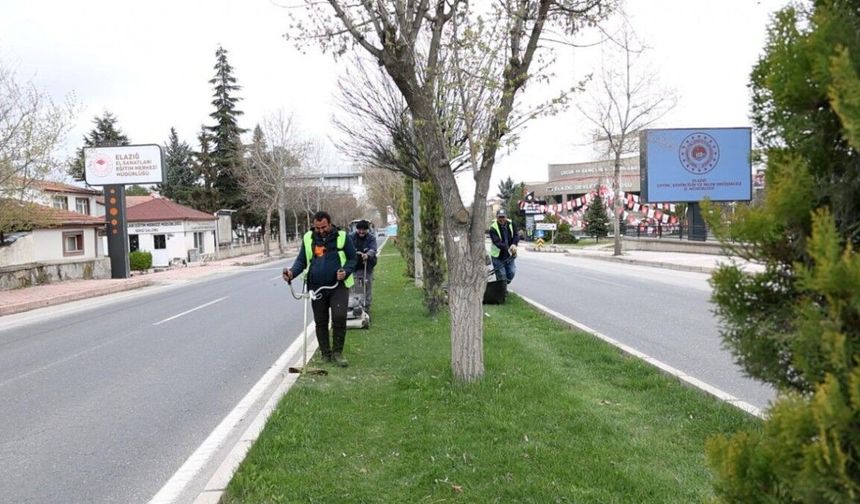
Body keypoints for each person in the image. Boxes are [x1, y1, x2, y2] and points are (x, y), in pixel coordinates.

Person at [283, 211, 357, 367]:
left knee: (339, 317)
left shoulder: (342, 237)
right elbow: (301, 261)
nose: (321, 231)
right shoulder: (309, 238)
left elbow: (352, 259)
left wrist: (346, 271)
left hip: (338, 286)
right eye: (317, 228)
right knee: (321, 321)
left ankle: (337, 353)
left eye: (323, 227)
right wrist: (291, 273)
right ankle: (325, 353)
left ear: (329, 223)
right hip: (316, 287)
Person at [349, 219, 378, 313]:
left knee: (367, 285)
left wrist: (368, 255)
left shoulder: (371, 238)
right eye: (359, 229)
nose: (361, 232)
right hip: (355, 265)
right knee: (357, 286)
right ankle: (358, 305)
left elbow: (373, 249)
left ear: (367, 230)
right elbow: (348, 248)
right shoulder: (351, 237)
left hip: (367, 265)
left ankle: (367, 306)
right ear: (357, 229)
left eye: (364, 230)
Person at [489, 209, 519, 283]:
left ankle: (504, 286)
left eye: (503, 217)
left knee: (511, 272)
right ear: (497, 217)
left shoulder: (511, 224)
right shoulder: (493, 227)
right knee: (501, 275)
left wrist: (514, 244)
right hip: (497, 256)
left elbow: (516, 235)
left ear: (506, 217)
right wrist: (508, 248)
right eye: (500, 217)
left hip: (509, 255)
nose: (502, 219)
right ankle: (502, 290)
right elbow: (497, 242)